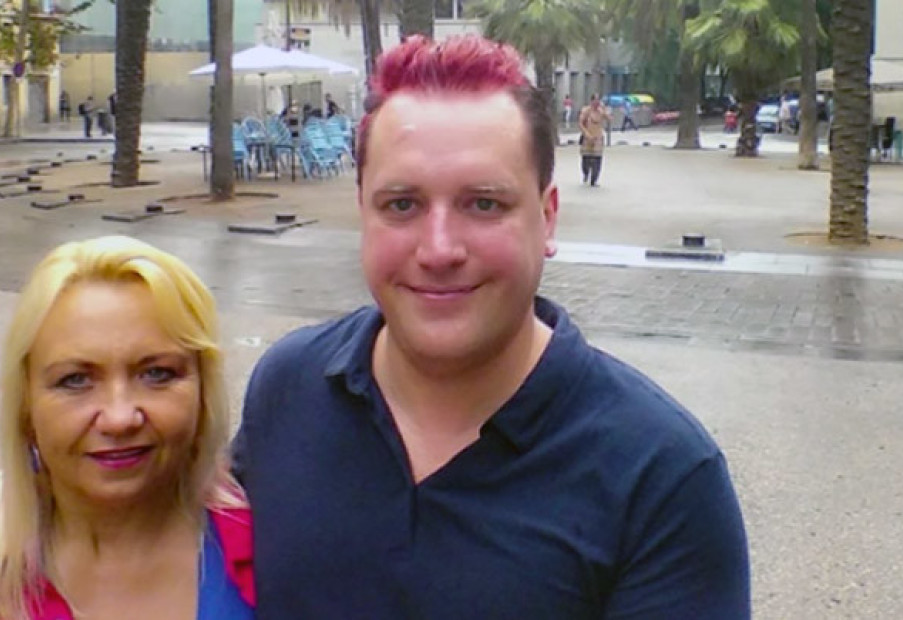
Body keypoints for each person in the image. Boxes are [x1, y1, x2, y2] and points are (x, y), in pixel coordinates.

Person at [234, 34, 749, 619]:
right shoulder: (288, 389)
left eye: (483, 204)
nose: (439, 250)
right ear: (363, 215)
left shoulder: (661, 478)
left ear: (547, 218)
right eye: (401, 205)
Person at [0, 236, 254, 620]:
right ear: (25, 405)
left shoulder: (276, 551)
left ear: (204, 393)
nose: (119, 419)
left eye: (157, 374)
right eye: (75, 380)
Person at [578, 94, 610, 186]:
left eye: (598, 100)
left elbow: (609, 119)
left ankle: (594, 179)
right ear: (591, 101)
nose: (597, 103)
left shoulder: (601, 111)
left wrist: (604, 110)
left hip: (598, 138)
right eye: (595, 100)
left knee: (597, 159)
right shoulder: (586, 111)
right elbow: (580, 123)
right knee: (586, 159)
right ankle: (586, 173)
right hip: (587, 137)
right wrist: (586, 133)